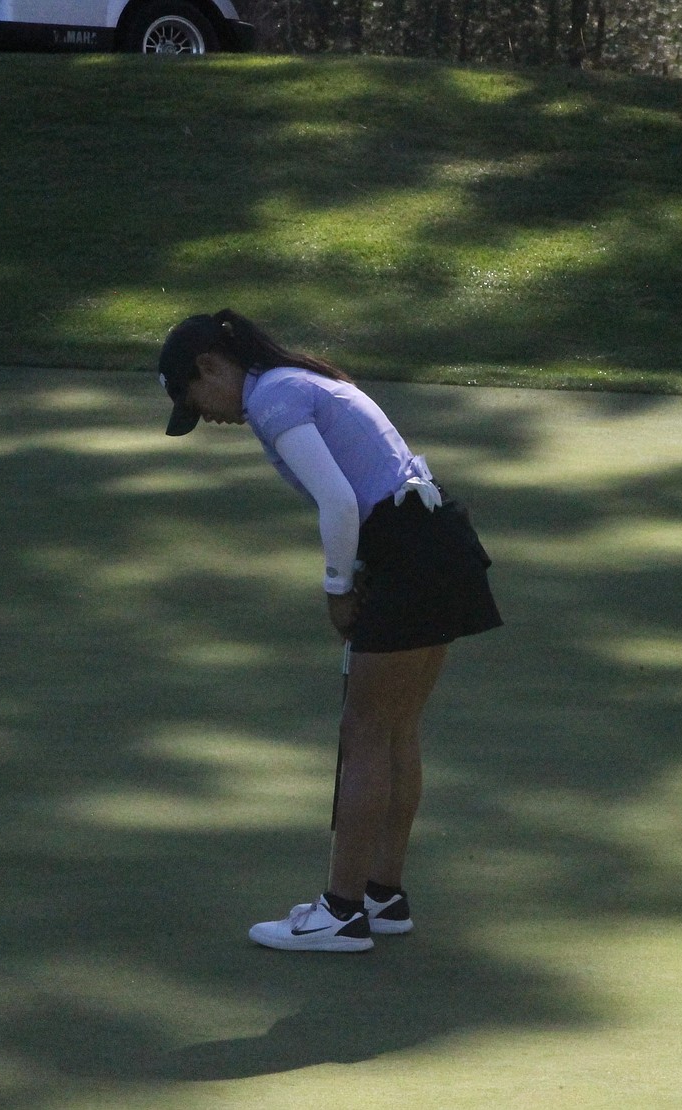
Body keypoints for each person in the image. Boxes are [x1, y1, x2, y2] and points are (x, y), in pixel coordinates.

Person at [156, 309, 502, 953]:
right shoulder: (299, 382)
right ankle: (381, 896)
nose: (206, 415)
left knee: (365, 732)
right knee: (394, 728)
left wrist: (339, 591)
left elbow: (341, 503)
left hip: (409, 552)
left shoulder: (275, 397)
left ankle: (341, 912)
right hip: (435, 541)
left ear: (210, 367)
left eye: (195, 400)